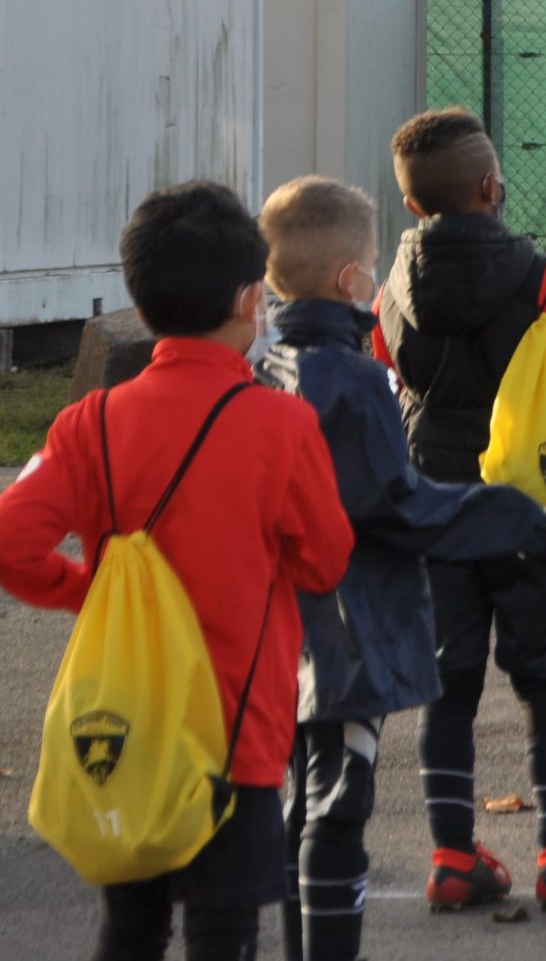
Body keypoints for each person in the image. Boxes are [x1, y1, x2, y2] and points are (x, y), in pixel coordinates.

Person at [0, 182, 353, 961]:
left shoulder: (85, 422)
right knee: (222, 932)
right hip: (237, 729)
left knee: (130, 927)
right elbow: (325, 560)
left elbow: (10, 544)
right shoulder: (281, 424)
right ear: (247, 299)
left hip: (126, 724)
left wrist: (88, 592)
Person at [257, 177, 546, 961]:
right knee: (338, 803)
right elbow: (398, 504)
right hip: (351, 622)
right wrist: (514, 518)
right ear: (350, 279)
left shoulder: (274, 366)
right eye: (366, 262)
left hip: (286, 618)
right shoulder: (349, 378)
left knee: (300, 797)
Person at [371, 109, 546, 913]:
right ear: (493, 186)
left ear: (412, 206)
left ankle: (451, 855)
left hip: (431, 503)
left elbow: (390, 372)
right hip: (524, 510)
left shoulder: (391, 286)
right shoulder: (537, 278)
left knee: (448, 685)